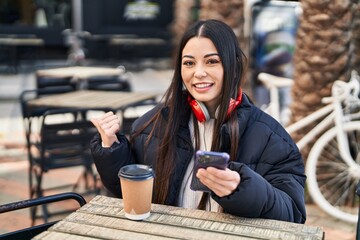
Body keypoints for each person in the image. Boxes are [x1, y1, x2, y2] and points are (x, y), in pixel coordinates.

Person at [90, 19, 306, 223]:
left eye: (212, 61)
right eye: (189, 63)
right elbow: (126, 193)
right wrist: (111, 148)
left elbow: (293, 215)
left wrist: (243, 188)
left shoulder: (273, 139)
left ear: (234, 65)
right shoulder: (151, 124)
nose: (198, 73)